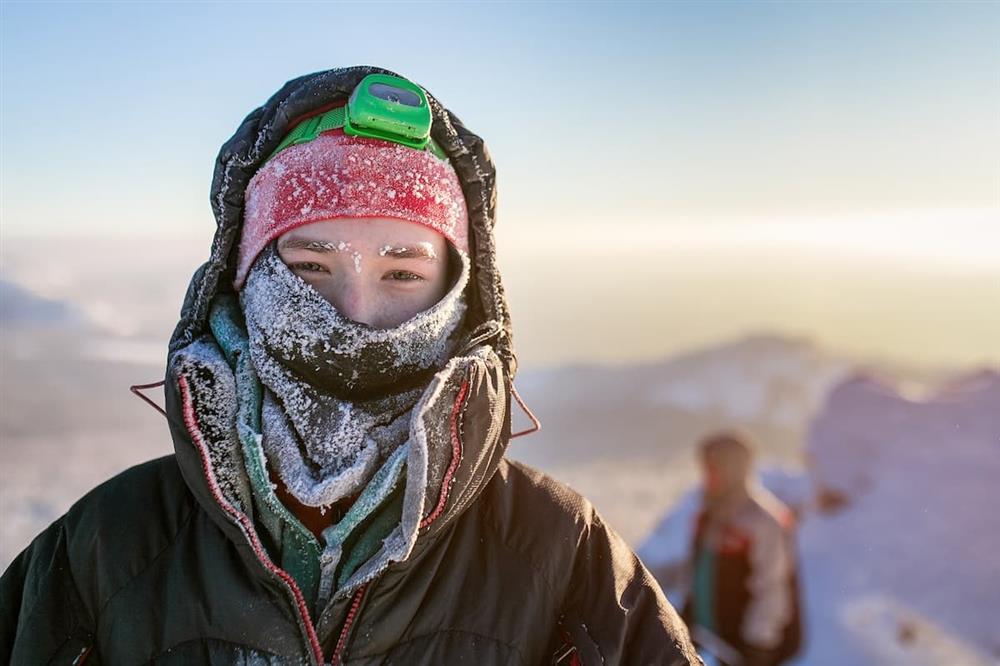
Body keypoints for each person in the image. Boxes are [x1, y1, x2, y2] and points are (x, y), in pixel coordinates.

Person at [1, 66, 701, 665]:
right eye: (309, 267)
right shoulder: (108, 550)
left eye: (402, 274)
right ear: (242, 282)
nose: (355, 314)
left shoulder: (560, 557)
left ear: (462, 293)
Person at [681, 431, 803, 666]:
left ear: (734, 469)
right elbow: (698, 574)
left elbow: (772, 589)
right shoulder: (708, 516)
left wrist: (758, 647)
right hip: (707, 642)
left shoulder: (763, 521)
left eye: (714, 468)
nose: (708, 476)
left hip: (744, 649)